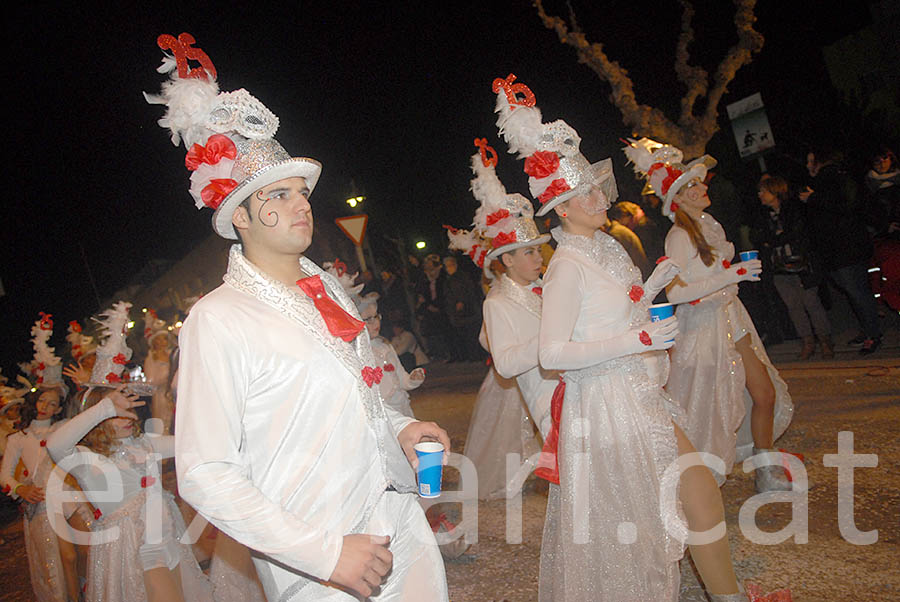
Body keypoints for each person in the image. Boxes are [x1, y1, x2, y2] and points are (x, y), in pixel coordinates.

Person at [146, 36, 449, 601]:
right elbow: (204, 472)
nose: (301, 204)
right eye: (278, 195)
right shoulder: (217, 319)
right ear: (240, 216)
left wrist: (401, 427)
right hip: (320, 564)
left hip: (398, 522)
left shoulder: (328, 287)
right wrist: (326, 554)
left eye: (301, 191)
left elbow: (352, 396)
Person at [496, 77, 757, 601]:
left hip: (637, 394)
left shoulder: (603, 248)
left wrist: (652, 289)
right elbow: (552, 354)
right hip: (609, 404)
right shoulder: (568, 262)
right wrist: (637, 337)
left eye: (595, 187)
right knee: (654, 513)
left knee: (695, 495)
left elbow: (610, 314)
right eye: (585, 193)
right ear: (563, 209)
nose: (600, 195)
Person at [623, 138, 794, 493]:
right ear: (679, 199)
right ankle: (694, 486)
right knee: (709, 409)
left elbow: (712, 277)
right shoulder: (680, 235)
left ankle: (765, 469)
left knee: (764, 393)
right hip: (703, 328)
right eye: (692, 186)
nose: (702, 187)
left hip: (732, 318)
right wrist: (732, 275)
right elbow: (678, 293)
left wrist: (735, 277)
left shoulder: (708, 224)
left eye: (699, 182)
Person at [47, 301, 213, 602]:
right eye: (116, 414)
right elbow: (56, 444)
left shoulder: (145, 444)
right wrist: (106, 406)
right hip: (139, 555)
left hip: (171, 546)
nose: (126, 418)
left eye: (129, 410)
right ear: (100, 418)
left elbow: (189, 441)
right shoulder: (88, 461)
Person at [447, 143, 556, 499]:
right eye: (529, 252)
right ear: (506, 261)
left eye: (538, 250)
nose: (538, 257)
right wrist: (554, 342)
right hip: (543, 390)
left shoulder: (545, 287)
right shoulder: (497, 302)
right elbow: (501, 354)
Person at [1, 315, 84, 602]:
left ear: (60, 407)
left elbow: (89, 416)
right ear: (34, 402)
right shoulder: (17, 438)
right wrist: (20, 488)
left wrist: (85, 385)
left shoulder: (64, 428)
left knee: (86, 550)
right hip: (42, 503)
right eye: (42, 401)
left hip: (70, 495)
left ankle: (93, 590)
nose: (47, 406)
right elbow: (5, 476)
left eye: (53, 403)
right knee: (62, 559)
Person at [802, 147, 882, 354]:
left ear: (820, 161)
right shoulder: (829, 180)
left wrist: (813, 199)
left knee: (858, 292)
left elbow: (846, 207)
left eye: (811, 161)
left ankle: (873, 334)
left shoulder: (835, 179)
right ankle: (868, 330)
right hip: (837, 250)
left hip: (846, 249)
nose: (808, 166)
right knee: (853, 292)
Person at [757, 175, 833, 359]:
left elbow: (795, 234)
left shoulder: (795, 210)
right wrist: (774, 239)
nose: (759, 195)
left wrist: (775, 239)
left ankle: (825, 340)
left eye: (763, 191)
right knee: (793, 305)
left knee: (811, 302)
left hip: (802, 263)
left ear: (775, 192)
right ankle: (807, 341)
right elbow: (760, 238)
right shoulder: (763, 215)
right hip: (778, 265)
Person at [442, 256, 484, 361]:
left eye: (450, 266)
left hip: (467, 312)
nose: (448, 269)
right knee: (463, 335)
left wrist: (461, 301)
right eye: (446, 267)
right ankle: (467, 356)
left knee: (471, 334)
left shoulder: (461, 277)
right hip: (458, 313)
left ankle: (475, 356)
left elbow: (466, 291)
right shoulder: (450, 279)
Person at [608, 200, 667, 268]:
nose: (620, 222)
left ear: (627, 215)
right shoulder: (643, 224)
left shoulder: (643, 228)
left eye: (620, 217)